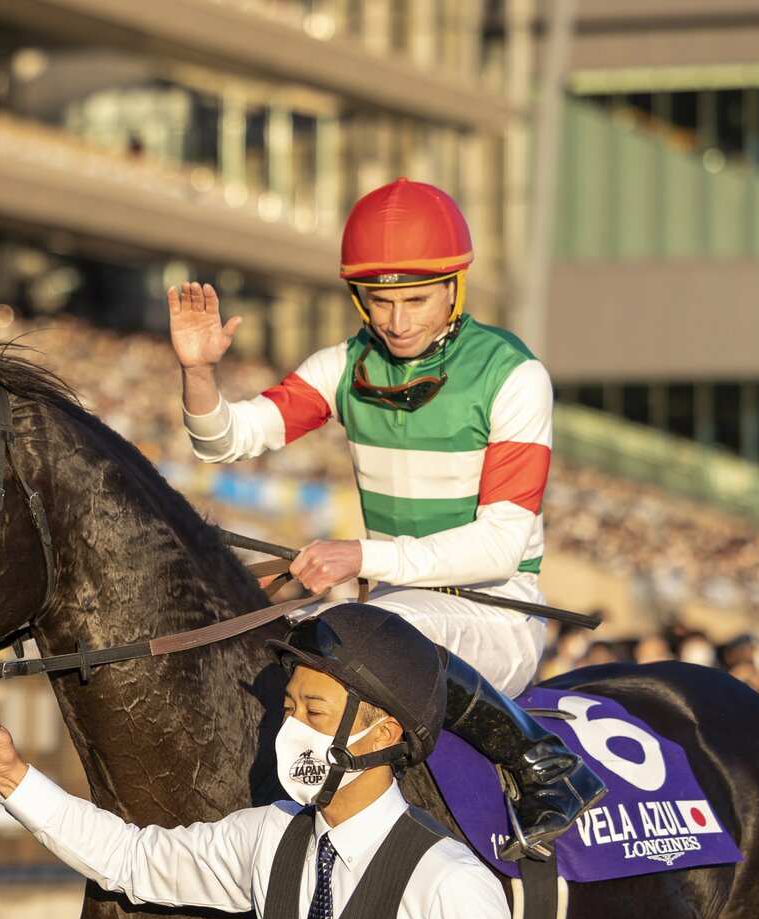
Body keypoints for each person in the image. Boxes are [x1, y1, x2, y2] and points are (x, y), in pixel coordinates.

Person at [168, 178, 603, 858]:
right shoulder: (343, 366)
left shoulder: (514, 375)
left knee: (358, 633)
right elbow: (228, 439)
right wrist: (199, 375)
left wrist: (360, 557)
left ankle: (543, 763)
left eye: (417, 300)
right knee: (294, 641)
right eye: (380, 301)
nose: (398, 322)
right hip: (389, 619)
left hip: (493, 613)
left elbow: (500, 544)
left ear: (455, 288)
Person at [0, 604, 540, 919]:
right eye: (289, 710)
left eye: (315, 713)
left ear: (384, 733)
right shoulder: (269, 836)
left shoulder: (447, 881)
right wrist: (14, 779)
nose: (294, 729)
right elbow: (131, 860)